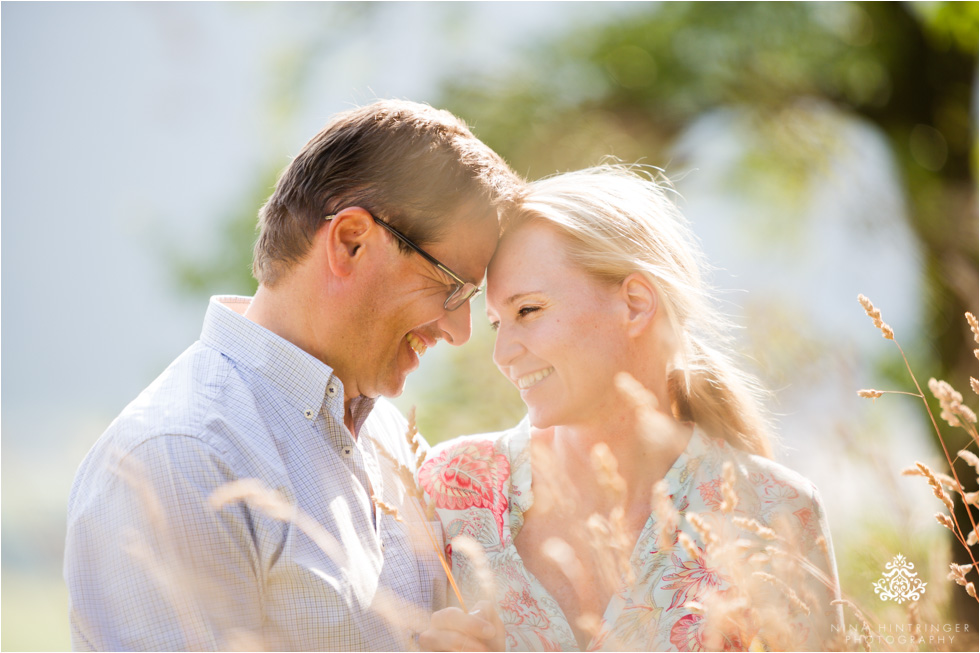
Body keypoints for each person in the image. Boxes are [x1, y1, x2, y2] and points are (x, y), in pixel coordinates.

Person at [64, 99, 521, 651]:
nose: (460, 331)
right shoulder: (180, 458)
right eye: (453, 288)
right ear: (350, 241)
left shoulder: (389, 437)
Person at [417, 165, 844, 652]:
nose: (503, 353)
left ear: (636, 304)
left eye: (528, 311)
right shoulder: (451, 489)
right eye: (497, 323)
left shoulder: (777, 510)